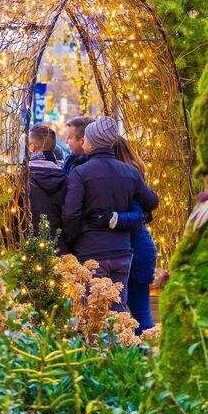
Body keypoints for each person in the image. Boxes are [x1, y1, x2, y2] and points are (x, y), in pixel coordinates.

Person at [62, 116, 158, 310]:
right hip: (122, 251)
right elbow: (152, 201)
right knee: (118, 310)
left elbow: (71, 213)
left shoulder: (81, 173)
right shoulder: (129, 172)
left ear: (92, 142)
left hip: (92, 250)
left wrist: (73, 240)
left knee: (94, 311)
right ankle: (120, 341)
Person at [110, 135, 157, 335]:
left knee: (140, 315)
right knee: (139, 314)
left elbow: (140, 214)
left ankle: (145, 360)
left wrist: (111, 219)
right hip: (140, 247)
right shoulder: (133, 173)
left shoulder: (128, 177)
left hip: (137, 249)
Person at [27, 124, 67, 248]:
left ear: (32, 147)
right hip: (58, 248)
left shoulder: (20, 179)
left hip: (26, 249)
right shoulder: (66, 178)